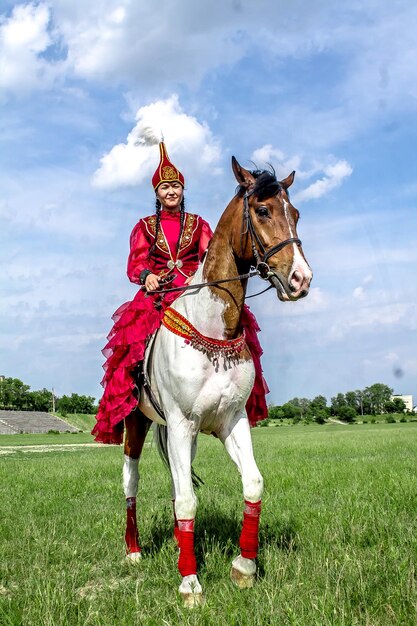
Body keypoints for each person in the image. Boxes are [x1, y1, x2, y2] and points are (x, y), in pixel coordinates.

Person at [92, 141, 268, 445]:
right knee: (130, 347)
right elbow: (136, 263)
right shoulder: (144, 227)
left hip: (194, 290)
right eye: (165, 187)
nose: (171, 191)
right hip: (158, 295)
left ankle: (235, 395)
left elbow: (211, 259)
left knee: (241, 326)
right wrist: (147, 276)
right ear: (157, 194)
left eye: (175, 186)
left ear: (183, 190)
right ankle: (138, 398)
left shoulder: (199, 224)